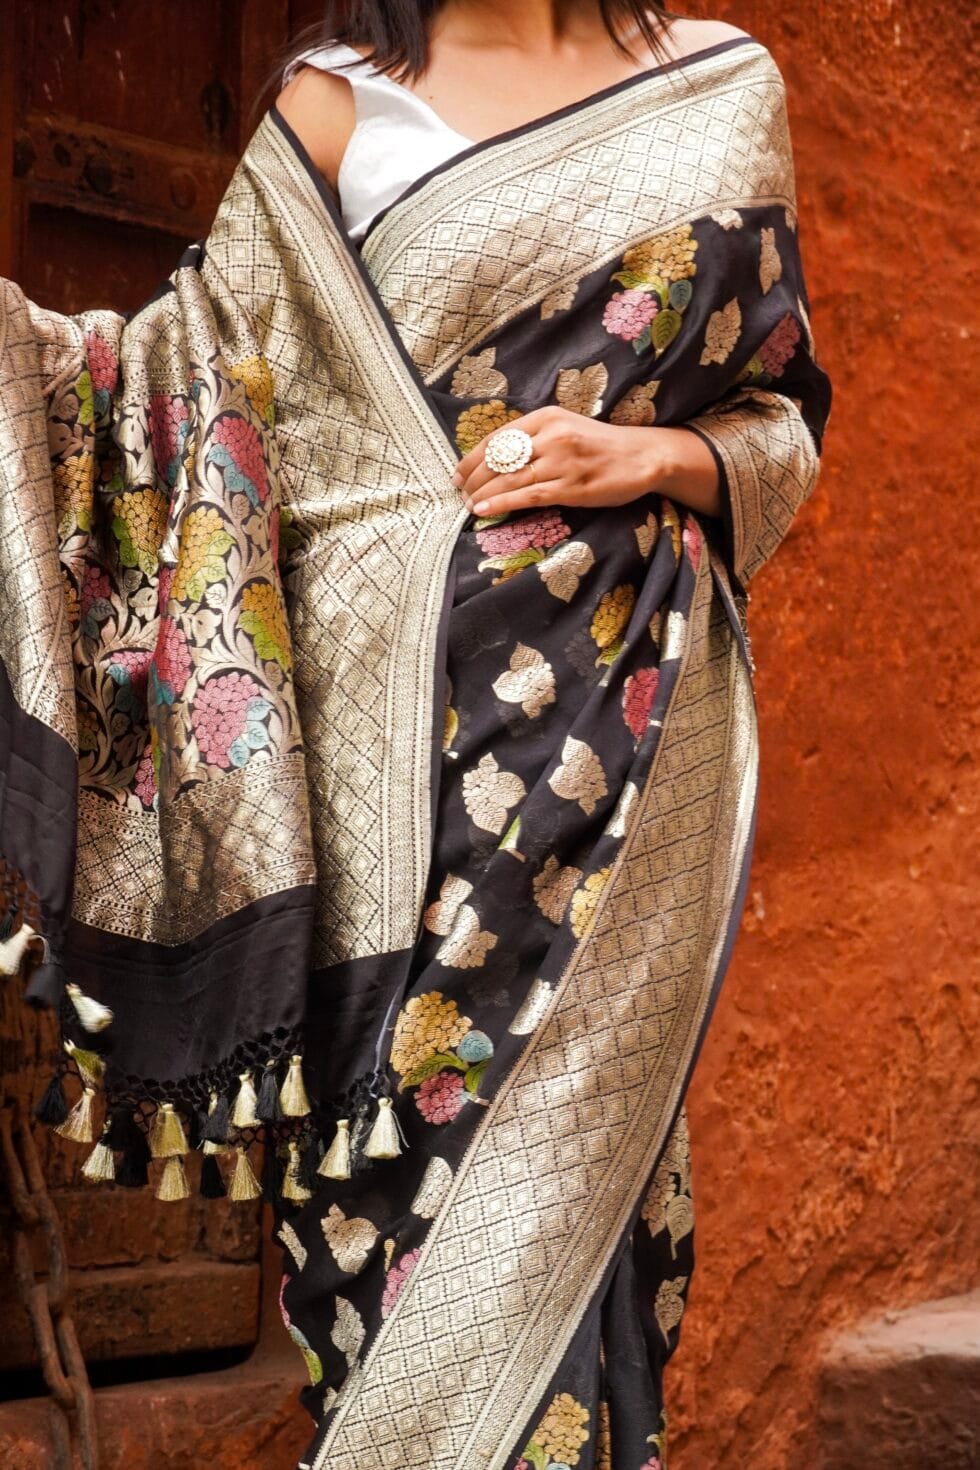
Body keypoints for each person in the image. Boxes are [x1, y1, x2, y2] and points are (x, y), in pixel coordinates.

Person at [0, 3, 831, 1466]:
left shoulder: (719, 87)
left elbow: (782, 420)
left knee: (568, 1213)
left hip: (612, 749)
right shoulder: (335, 106)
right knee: (390, 1214)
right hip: (385, 793)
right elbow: (176, 400)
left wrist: (649, 455)